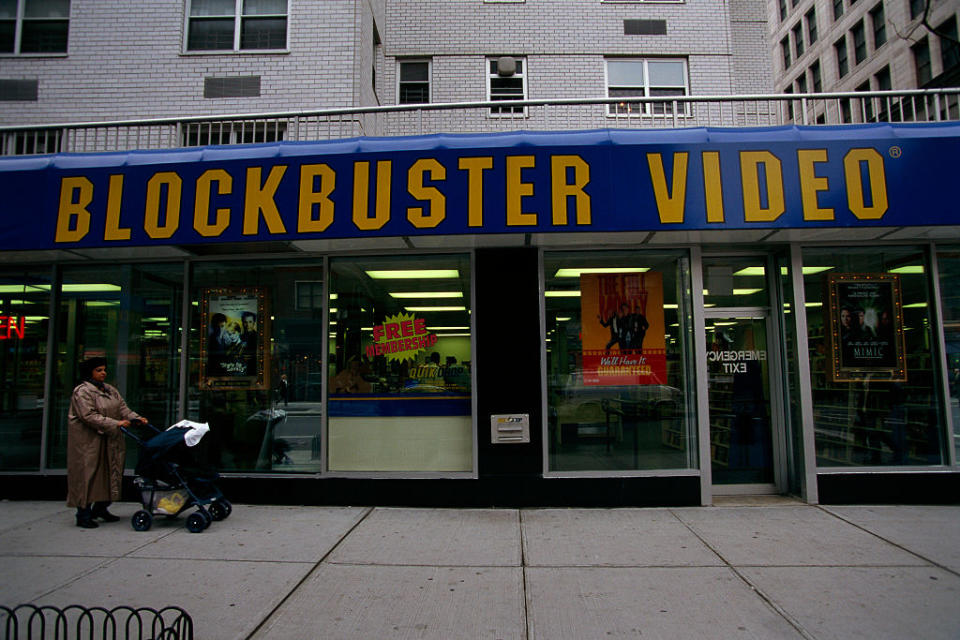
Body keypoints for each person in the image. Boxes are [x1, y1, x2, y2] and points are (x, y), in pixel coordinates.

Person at [66, 357, 148, 529]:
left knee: (111, 473)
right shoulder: (82, 392)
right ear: (90, 372)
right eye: (99, 370)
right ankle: (83, 513)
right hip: (89, 442)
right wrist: (115, 423)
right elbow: (88, 416)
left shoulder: (110, 390)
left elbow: (122, 409)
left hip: (110, 439)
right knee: (89, 476)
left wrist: (135, 418)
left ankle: (101, 508)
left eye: (104, 369)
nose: (103, 373)